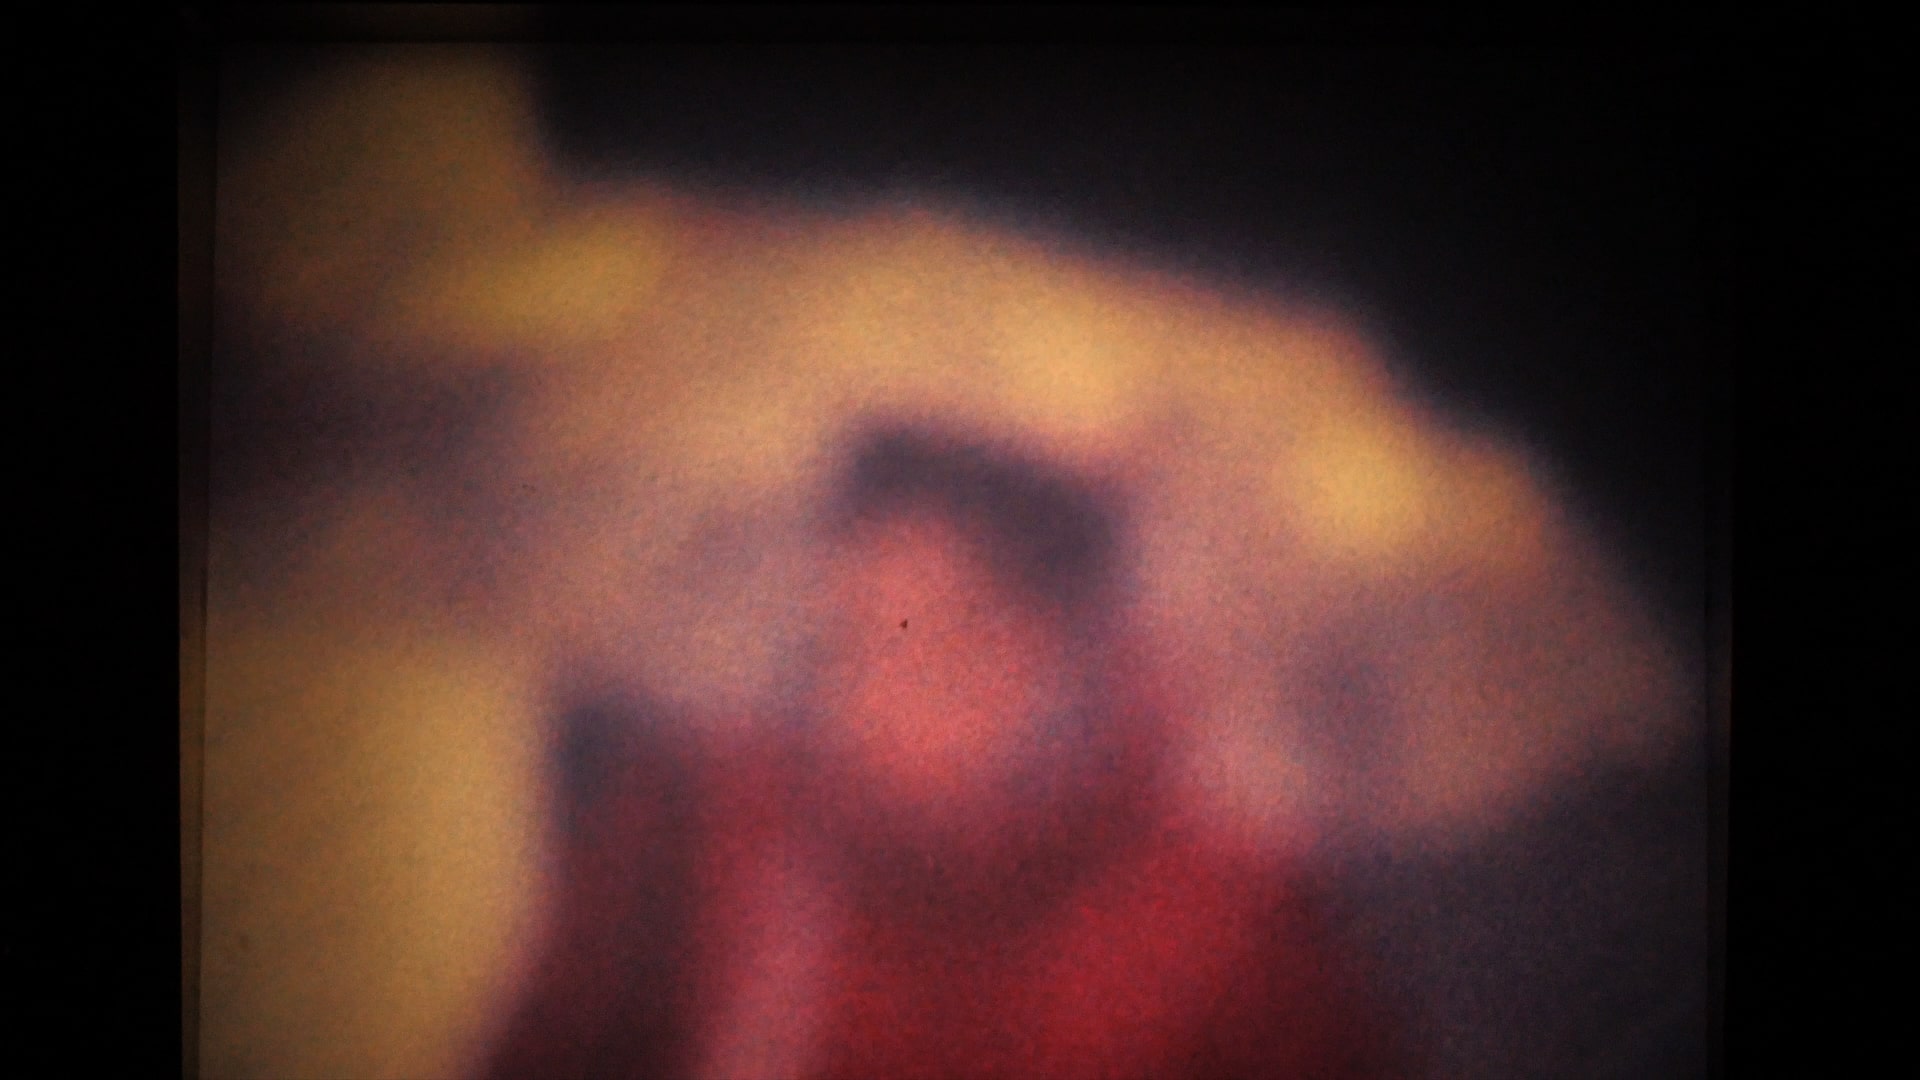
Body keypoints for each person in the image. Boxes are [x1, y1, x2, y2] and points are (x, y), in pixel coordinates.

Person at [482, 424, 1402, 1079]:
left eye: (951, 644)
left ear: (1075, 651)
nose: (876, 700)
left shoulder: (1228, 930)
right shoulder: (710, 824)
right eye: (853, 637)